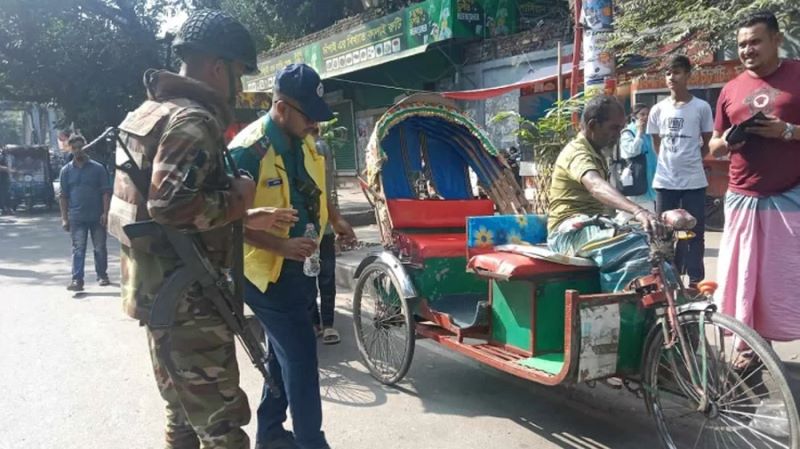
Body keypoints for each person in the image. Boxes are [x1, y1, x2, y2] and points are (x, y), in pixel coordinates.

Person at [107, 10, 296, 449]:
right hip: (190, 300)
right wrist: (239, 199)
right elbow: (169, 205)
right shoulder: (194, 119)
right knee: (221, 429)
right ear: (216, 67)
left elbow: (161, 210)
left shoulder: (151, 112)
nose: (239, 85)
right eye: (238, 73)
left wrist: (243, 216)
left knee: (182, 418)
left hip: (159, 292)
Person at [228, 63, 349, 449]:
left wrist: (336, 221)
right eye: (309, 115)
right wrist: (279, 246)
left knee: (282, 355)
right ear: (281, 108)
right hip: (265, 273)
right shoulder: (248, 151)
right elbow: (223, 223)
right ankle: (312, 442)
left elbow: (315, 190)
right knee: (300, 358)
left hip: (300, 268)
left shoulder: (303, 139)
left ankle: (270, 433)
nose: (315, 124)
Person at [709, 11, 800, 354]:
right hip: (742, 196)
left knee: (787, 278)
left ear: (777, 39)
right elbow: (713, 145)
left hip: (791, 195)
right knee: (745, 279)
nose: (748, 50)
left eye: (755, 42)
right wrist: (728, 141)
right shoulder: (731, 89)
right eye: (742, 44)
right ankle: (751, 350)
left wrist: (787, 131)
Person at [547, 95, 664, 293]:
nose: (618, 134)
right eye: (614, 128)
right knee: (635, 246)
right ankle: (617, 307)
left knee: (655, 244)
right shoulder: (577, 152)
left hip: (593, 226)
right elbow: (595, 185)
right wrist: (637, 211)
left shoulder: (597, 152)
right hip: (568, 234)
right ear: (593, 125)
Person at [647, 55, 714, 288]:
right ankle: (666, 280)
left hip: (694, 181)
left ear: (687, 75)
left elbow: (707, 142)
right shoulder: (657, 109)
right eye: (668, 73)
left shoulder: (701, 107)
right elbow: (657, 144)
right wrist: (671, 162)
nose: (671, 77)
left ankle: (695, 281)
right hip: (665, 182)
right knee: (663, 233)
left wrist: (691, 160)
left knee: (695, 232)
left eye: (676, 72)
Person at [309, 125, 356, 345]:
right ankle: (324, 323)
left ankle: (320, 323)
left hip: (319, 225)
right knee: (322, 277)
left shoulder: (317, 148)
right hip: (313, 227)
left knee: (315, 276)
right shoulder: (308, 149)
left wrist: (334, 219)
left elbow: (322, 192)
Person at [59, 134, 111, 291]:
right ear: (70, 149)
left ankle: (102, 275)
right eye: (74, 148)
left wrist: (106, 213)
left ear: (86, 147)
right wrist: (64, 218)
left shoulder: (98, 168)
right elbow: (63, 196)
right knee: (78, 249)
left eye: (80, 147)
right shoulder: (66, 171)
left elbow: (106, 192)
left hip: (97, 216)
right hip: (77, 217)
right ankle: (77, 280)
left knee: (99, 248)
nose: (78, 150)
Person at [618, 103, 657, 212]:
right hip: (636, 181)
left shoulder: (649, 133)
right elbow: (631, 151)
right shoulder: (628, 132)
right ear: (634, 116)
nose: (646, 117)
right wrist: (639, 133)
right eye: (642, 114)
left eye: (648, 114)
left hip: (650, 183)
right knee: (634, 213)